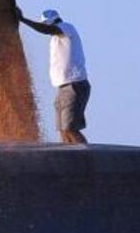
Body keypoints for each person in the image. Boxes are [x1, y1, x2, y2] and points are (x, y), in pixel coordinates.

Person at [17, 8, 91, 144]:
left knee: (70, 128)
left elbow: (46, 29)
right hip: (62, 88)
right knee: (63, 130)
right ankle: (69, 156)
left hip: (74, 85)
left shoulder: (66, 27)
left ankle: (86, 155)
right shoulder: (55, 38)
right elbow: (47, 30)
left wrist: (23, 20)